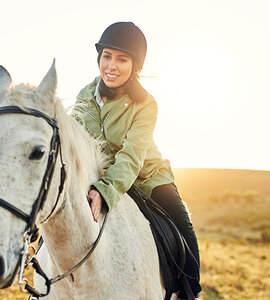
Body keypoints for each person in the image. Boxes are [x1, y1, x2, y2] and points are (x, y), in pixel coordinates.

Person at [73, 21, 201, 299]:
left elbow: (131, 158)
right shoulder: (84, 96)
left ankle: (192, 293)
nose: (111, 65)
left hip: (148, 178)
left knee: (184, 231)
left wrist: (104, 192)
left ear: (135, 66)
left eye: (122, 59)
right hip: (101, 175)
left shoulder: (146, 105)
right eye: (106, 56)